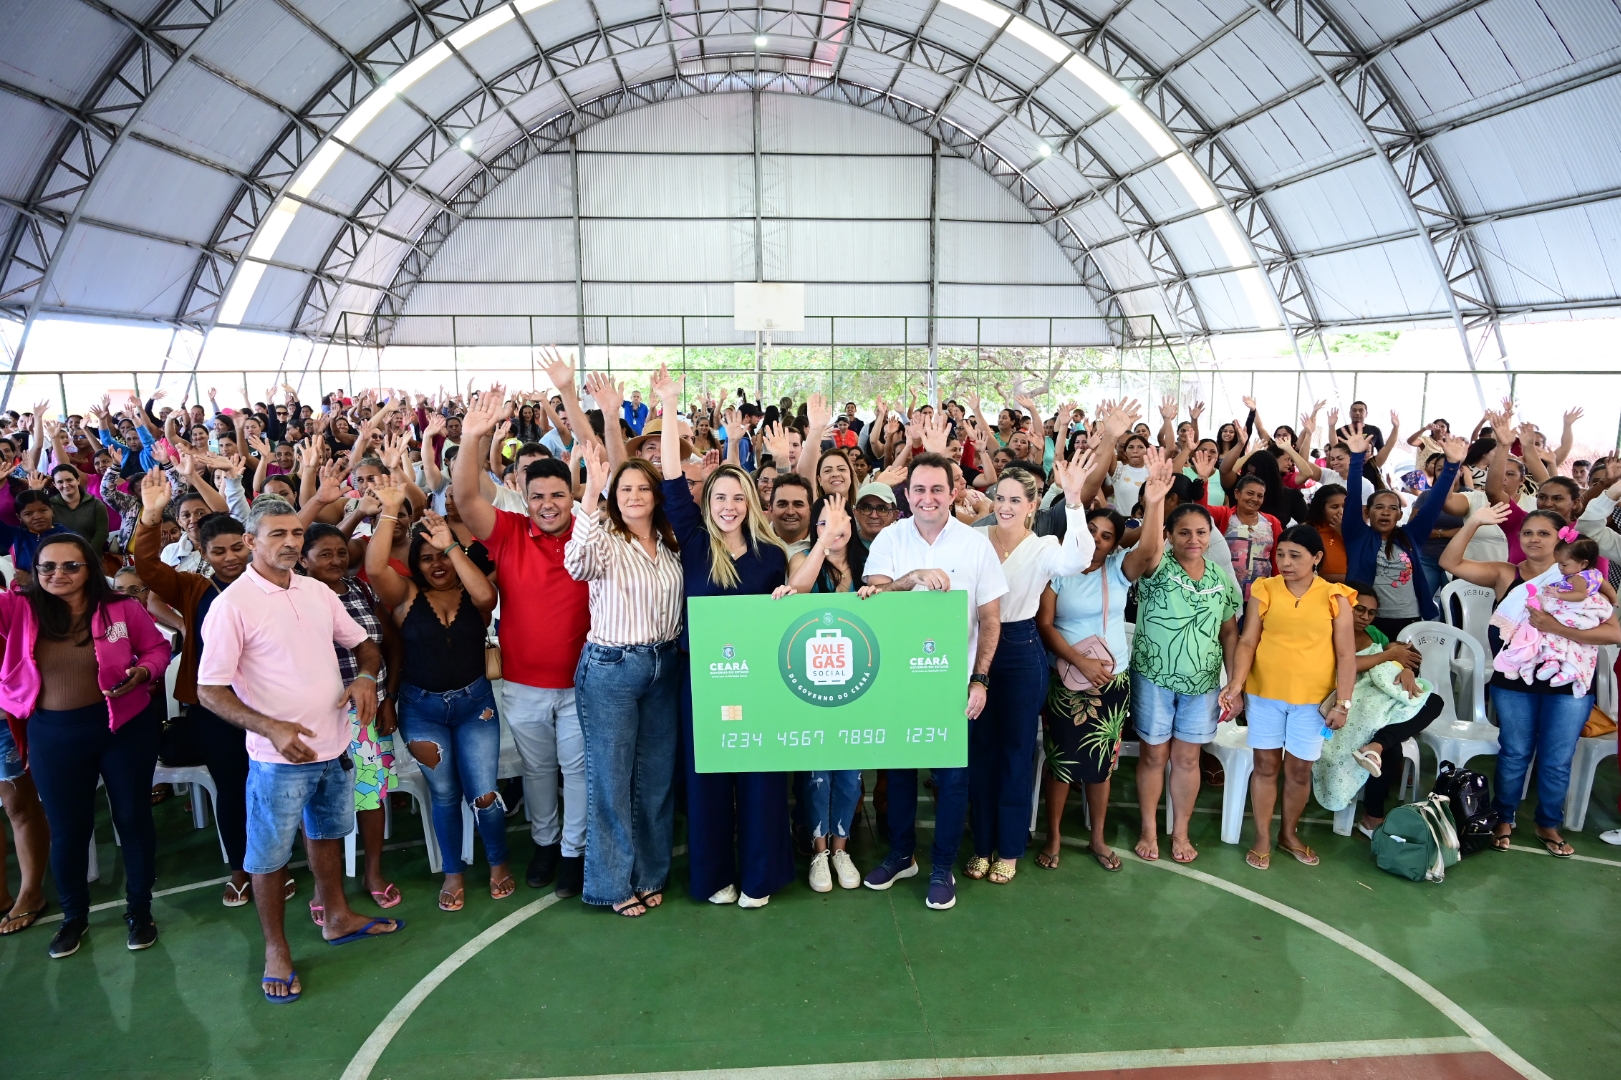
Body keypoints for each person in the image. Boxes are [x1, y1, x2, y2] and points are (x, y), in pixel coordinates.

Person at [196, 497, 401, 1003]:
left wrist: (368, 679)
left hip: (336, 743)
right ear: (251, 542)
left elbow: (365, 644)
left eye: (294, 533)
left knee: (327, 834)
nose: (289, 542)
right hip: (277, 759)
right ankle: (276, 950)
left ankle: (336, 917)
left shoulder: (316, 592)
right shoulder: (232, 606)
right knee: (268, 856)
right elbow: (210, 689)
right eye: (276, 534)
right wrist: (270, 728)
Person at [654, 367, 796, 909]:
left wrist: (784, 602)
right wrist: (670, 405)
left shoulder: (771, 558)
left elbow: (788, 624)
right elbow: (670, 477)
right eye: (720, 497)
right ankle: (715, 877)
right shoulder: (691, 542)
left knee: (761, 779)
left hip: (759, 685)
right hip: (702, 681)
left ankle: (758, 879)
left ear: (750, 503)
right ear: (708, 502)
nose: (729, 505)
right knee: (707, 775)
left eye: (738, 497)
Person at [0, 532, 171, 958]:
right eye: (48, 567)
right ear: (35, 572)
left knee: (132, 820)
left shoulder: (122, 608)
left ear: (90, 568)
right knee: (68, 831)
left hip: (124, 730)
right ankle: (73, 917)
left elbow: (157, 648)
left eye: (70, 566)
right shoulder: (18, 610)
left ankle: (140, 911)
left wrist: (145, 673)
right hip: (53, 736)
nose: (58, 574)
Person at [454, 384, 590, 896]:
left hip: (581, 683)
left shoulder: (590, 533)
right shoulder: (509, 531)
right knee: (537, 771)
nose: (548, 504)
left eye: (558, 495)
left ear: (571, 496)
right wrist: (472, 437)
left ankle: (574, 853)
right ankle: (546, 844)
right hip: (524, 685)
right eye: (538, 496)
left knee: (577, 771)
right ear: (524, 497)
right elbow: (465, 497)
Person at [859, 450, 1008, 911]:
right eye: (919, 489)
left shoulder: (976, 544)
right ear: (907, 494)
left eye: (937, 489)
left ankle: (942, 865)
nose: (928, 497)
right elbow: (873, 598)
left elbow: (990, 617)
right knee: (900, 774)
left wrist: (979, 679)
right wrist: (915, 577)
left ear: (953, 492)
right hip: (898, 682)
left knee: (951, 777)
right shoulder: (889, 537)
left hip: (953, 681)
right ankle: (902, 855)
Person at [1444, 503, 1621, 859]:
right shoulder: (1505, 574)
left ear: (1562, 541)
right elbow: (1450, 563)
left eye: (1544, 533)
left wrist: (1555, 628)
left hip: (1569, 686)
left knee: (1557, 759)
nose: (1534, 539)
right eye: (1528, 532)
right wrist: (1475, 522)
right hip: (1515, 684)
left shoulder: (1582, 581)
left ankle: (1548, 824)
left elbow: (1614, 631)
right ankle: (1504, 817)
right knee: (1514, 753)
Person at [367, 486, 509, 910]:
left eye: (441, 556)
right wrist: (390, 510)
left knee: (484, 793)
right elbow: (375, 569)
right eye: (426, 557)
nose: (436, 564)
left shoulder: (472, 593)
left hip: (475, 705)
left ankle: (498, 863)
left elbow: (488, 597)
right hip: (421, 710)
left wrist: (451, 546)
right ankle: (453, 871)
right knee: (444, 795)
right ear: (414, 563)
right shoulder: (405, 596)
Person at [965, 443, 1098, 885]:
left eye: (1015, 500)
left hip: (1021, 649)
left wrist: (1075, 500)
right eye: (999, 498)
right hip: (975, 648)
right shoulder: (974, 539)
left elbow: (1080, 558)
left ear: (1032, 504)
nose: (1004, 506)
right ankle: (981, 844)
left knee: (1016, 752)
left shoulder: (1044, 547)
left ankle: (1010, 848)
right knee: (979, 751)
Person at [564, 447, 684, 916]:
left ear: (656, 495)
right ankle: (612, 885)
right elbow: (577, 565)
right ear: (615, 496)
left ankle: (650, 874)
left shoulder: (670, 542)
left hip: (664, 664)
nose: (634, 496)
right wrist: (591, 491)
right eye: (625, 489)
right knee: (611, 781)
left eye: (642, 488)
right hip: (611, 668)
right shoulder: (604, 537)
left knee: (655, 780)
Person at [134, 469, 259, 907]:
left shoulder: (271, 584)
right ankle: (243, 870)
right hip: (214, 708)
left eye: (237, 547)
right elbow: (146, 566)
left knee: (274, 785)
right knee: (232, 785)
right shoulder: (193, 587)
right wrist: (150, 519)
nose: (230, 557)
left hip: (268, 702)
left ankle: (275, 865)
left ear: (250, 545)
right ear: (203, 553)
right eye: (218, 550)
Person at [1220, 526, 1357, 870]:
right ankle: (1263, 836)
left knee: (1299, 771)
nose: (1286, 562)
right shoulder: (1265, 590)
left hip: (1313, 701)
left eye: (1295, 555)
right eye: (1281, 554)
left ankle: (1289, 833)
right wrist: (1236, 684)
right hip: (1265, 694)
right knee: (1266, 767)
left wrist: (1343, 703)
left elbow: (1346, 655)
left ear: (1317, 558)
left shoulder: (1335, 596)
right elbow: (1248, 641)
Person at [1125, 501, 1243, 863]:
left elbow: (1229, 633)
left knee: (1188, 759)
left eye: (1201, 532)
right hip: (1154, 678)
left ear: (1211, 535)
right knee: (1154, 755)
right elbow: (1146, 548)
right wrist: (1157, 501)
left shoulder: (1220, 580)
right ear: (1170, 536)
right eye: (1184, 532)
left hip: (1203, 683)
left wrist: (1235, 684)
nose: (1194, 539)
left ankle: (1181, 832)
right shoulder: (1155, 566)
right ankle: (1149, 829)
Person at [303, 522, 401, 917]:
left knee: (370, 796)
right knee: (319, 802)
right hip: (320, 715)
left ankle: (372, 872)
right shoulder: (296, 596)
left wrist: (388, 696)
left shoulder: (360, 589)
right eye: (324, 553)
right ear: (304, 559)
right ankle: (323, 882)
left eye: (341, 552)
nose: (335, 560)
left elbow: (389, 643)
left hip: (367, 711)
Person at [1312, 581, 1445, 836]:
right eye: (1359, 609)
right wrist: (1389, 656)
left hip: (1379, 698)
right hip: (1342, 701)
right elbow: (1343, 666)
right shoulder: (1328, 632)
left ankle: (1376, 746)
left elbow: (1396, 661)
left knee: (1434, 701)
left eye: (1371, 612)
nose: (1365, 617)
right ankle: (1373, 815)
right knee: (1391, 747)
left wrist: (1405, 669)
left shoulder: (1375, 635)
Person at [786, 493, 866, 891]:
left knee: (850, 774)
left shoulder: (869, 564)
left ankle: (841, 848)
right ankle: (819, 853)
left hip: (858, 690)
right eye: (823, 522)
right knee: (817, 773)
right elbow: (796, 591)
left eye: (840, 520)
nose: (833, 528)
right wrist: (822, 542)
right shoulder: (803, 560)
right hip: (812, 689)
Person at [1339, 434, 1464, 638]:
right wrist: (1356, 458)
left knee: (1404, 669)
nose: (1386, 512)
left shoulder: (1410, 536)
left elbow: (1434, 503)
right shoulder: (1357, 535)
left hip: (1408, 619)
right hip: (1366, 620)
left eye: (1392, 508)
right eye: (1379, 507)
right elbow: (1353, 496)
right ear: (1367, 512)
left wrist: (1451, 466)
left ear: (1399, 514)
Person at [1203, 474, 1283, 601]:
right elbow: (1200, 512)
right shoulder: (1224, 516)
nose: (1255, 499)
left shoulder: (1272, 522)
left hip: (1260, 596)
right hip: (1225, 594)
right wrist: (1203, 480)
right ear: (1237, 493)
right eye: (1250, 493)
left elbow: (1279, 558)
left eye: (1259, 496)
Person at [46, 463, 109, 553]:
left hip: (91, 557)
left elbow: (102, 533)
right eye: (60, 482)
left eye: (69, 480)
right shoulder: (50, 506)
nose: (65, 485)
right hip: (60, 556)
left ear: (78, 480)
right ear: (54, 484)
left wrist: (87, 553)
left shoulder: (96, 504)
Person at [1306, 484, 1348, 581]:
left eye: (1345, 506)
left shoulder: (1358, 531)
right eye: (1334, 507)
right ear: (1321, 509)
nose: (1341, 511)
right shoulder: (1307, 532)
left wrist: (1344, 533)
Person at [768, 472, 814, 555]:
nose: (790, 512)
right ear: (770, 509)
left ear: (810, 509)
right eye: (782, 505)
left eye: (798, 505)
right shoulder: (753, 542)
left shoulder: (826, 545)